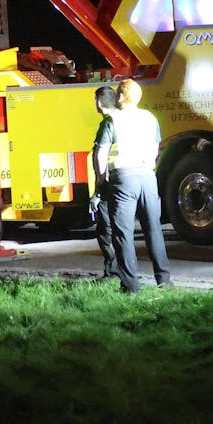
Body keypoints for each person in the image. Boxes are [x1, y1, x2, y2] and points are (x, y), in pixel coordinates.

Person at [107, 78, 172, 292]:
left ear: (120, 96)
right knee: (153, 229)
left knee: (123, 233)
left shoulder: (113, 119)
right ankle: (164, 279)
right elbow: (156, 148)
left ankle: (130, 285)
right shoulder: (150, 118)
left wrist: (101, 178)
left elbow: (100, 153)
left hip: (124, 177)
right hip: (147, 176)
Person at [88, 85, 120, 280]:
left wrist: (98, 190)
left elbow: (101, 154)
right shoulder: (126, 119)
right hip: (124, 179)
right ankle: (125, 272)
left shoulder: (108, 123)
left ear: (99, 103)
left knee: (105, 229)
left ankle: (112, 272)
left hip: (108, 183)